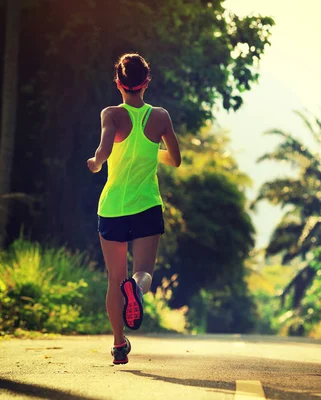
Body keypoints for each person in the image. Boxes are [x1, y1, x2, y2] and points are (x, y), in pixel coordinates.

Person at [87, 53, 181, 365]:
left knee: (115, 278)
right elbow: (176, 159)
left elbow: (104, 148)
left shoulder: (111, 114)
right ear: (147, 82)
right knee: (143, 273)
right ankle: (136, 291)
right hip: (146, 207)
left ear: (119, 83)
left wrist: (97, 162)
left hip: (113, 207)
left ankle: (118, 344)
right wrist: (153, 151)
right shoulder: (161, 117)